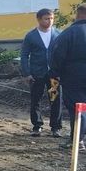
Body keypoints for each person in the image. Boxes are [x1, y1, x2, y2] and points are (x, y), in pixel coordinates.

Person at [48, 2, 86, 151]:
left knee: (80, 110)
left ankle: (77, 141)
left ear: (77, 14)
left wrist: (54, 75)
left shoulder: (68, 34)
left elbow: (57, 57)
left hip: (76, 78)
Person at [19, 8, 62, 137]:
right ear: (39, 19)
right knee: (36, 99)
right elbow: (24, 55)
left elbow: (63, 54)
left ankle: (56, 127)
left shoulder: (58, 34)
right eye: (46, 19)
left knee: (55, 99)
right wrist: (27, 73)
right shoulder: (31, 36)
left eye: (52, 18)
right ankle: (37, 126)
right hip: (37, 74)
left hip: (53, 74)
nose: (50, 21)